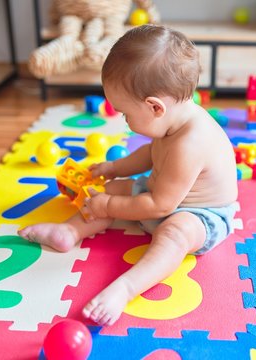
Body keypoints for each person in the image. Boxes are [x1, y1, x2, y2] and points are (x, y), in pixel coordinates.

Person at [18, 24, 238, 326]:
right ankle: (69, 232)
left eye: (126, 114)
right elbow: (151, 153)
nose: (124, 120)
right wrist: (113, 169)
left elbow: (161, 206)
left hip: (202, 214)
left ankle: (125, 288)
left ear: (154, 107)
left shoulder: (191, 143)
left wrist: (108, 206)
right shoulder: (171, 120)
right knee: (115, 190)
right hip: (159, 193)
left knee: (174, 233)